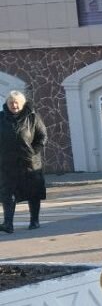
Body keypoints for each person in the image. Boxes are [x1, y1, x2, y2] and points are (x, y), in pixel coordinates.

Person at [1, 90, 47, 233]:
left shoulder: (33, 117)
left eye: (16, 103)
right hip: (7, 163)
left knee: (33, 192)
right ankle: (8, 224)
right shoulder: (1, 117)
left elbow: (42, 137)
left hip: (29, 163)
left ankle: (34, 221)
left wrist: (33, 152)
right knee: (7, 193)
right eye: (10, 103)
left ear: (22, 104)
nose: (13, 105)